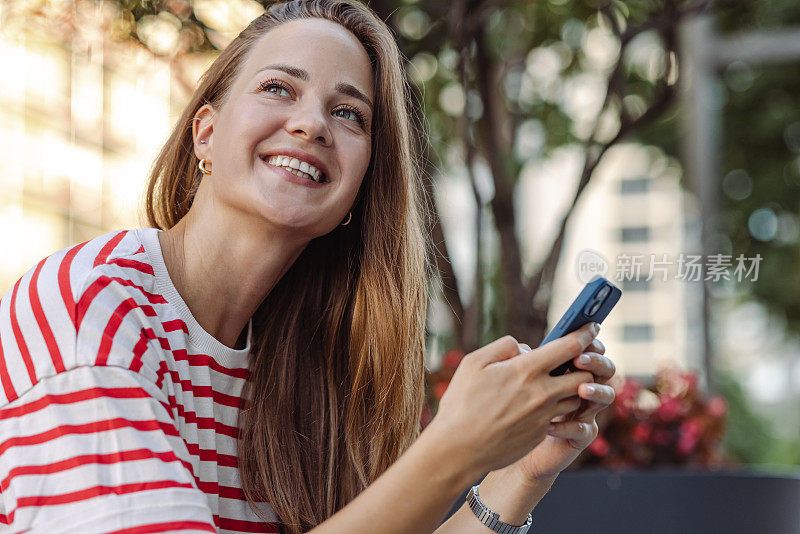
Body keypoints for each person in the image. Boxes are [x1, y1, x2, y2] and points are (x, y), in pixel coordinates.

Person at [0, 0, 616, 533]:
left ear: (360, 189)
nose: (311, 124)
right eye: (278, 88)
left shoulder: (300, 361)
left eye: (349, 113)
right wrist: (454, 445)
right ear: (205, 134)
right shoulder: (89, 308)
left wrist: (519, 475)